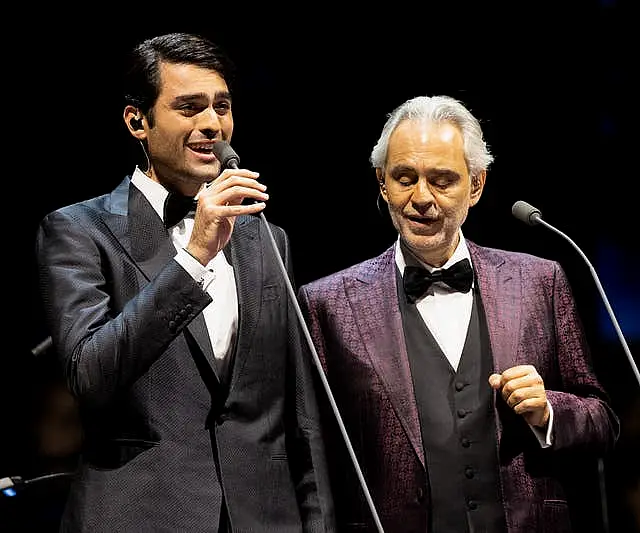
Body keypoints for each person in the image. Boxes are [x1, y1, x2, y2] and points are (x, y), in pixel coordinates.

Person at [35, 32, 334, 532]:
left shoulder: (268, 239)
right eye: (189, 107)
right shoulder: (78, 231)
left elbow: (300, 412)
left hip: (264, 517)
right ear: (137, 121)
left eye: (222, 106)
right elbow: (90, 376)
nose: (212, 125)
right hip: (140, 514)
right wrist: (195, 255)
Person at [297, 95, 620, 532]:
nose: (421, 198)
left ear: (476, 184)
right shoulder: (327, 303)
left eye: (442, 180)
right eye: (404, 178)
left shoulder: (539, 280)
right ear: (381, 182)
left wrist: (548, 412)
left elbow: (602, 420)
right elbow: (310, 457)